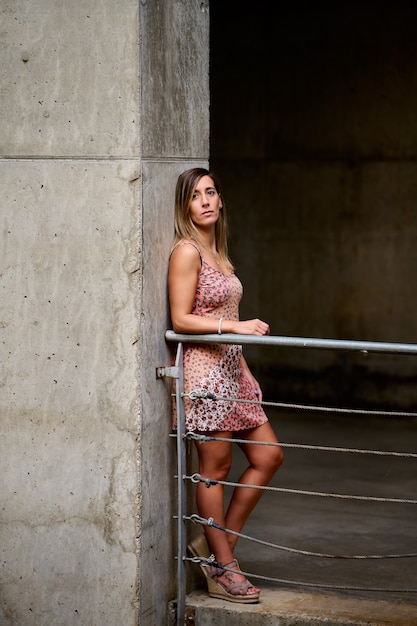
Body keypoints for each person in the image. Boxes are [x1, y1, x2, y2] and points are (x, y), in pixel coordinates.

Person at [168, 167, 283, 603]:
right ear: (185, 207)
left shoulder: (218, 252)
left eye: (211, 192)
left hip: (233, 373)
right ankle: (226, 568)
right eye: (196, 196)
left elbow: (231, 329)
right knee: (215, 470)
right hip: (205, 376)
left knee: (269, 456)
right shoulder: (187, 252)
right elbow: (180, 319)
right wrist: (235, 326)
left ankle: (220, 551)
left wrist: (247, 373)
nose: (207, 201)